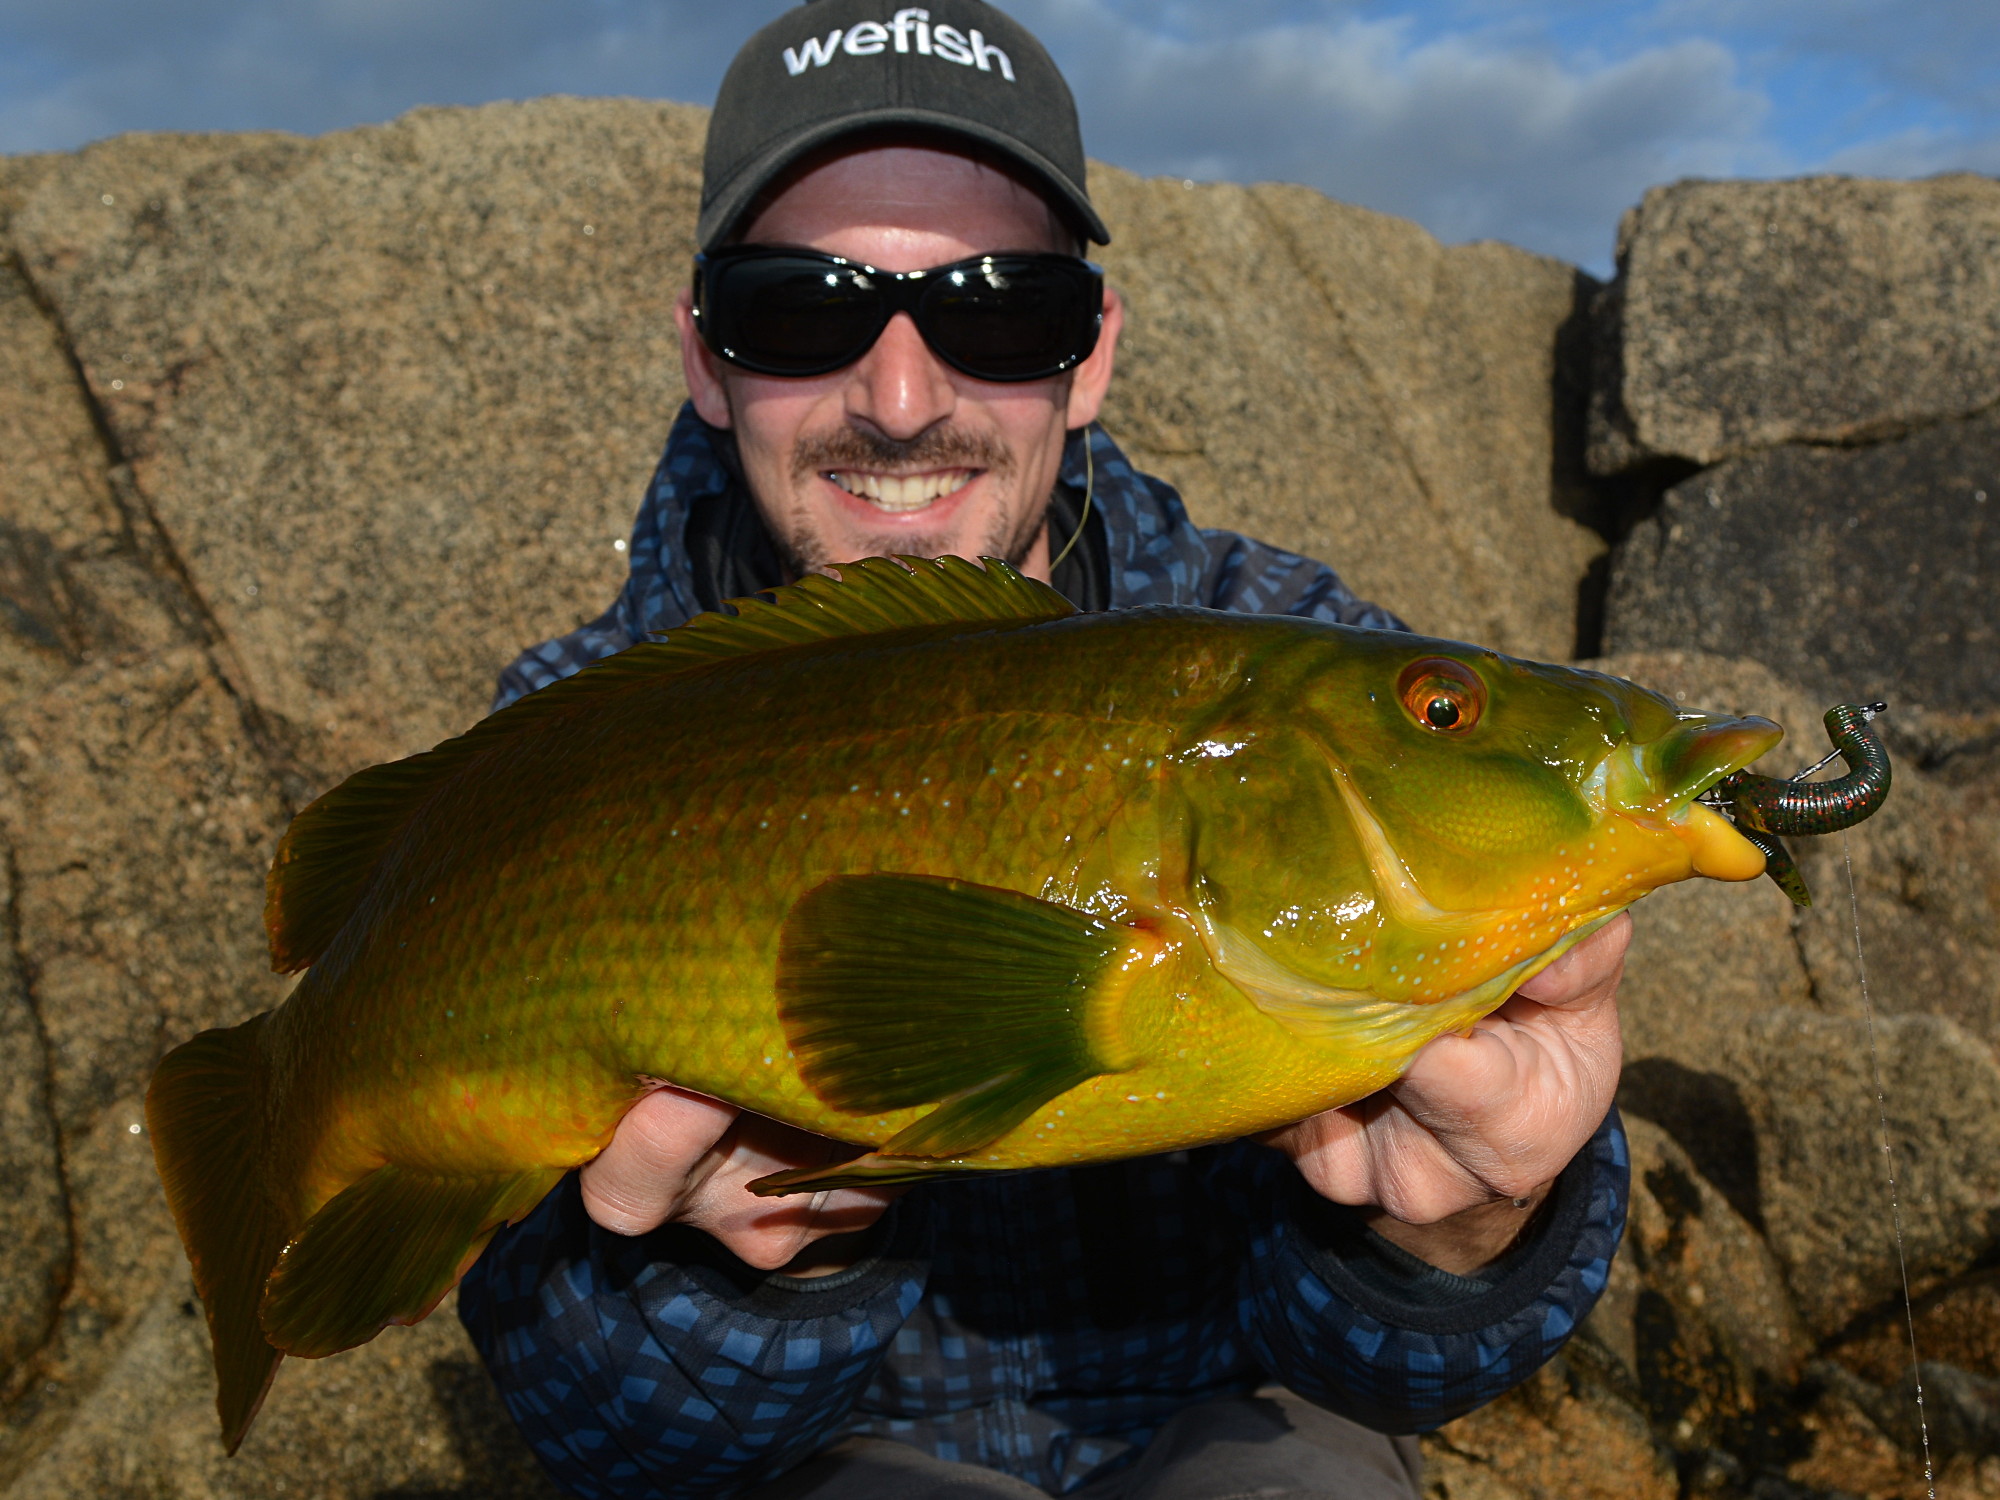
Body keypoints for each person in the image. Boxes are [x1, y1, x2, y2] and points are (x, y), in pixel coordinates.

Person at [458, 3, 1631, 1496]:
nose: (900, 399)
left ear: (1090, 355)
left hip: (1220, 1425)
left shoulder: (1307, 661)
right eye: (802, 309)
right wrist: (765, 1283)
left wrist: (1462, 1238)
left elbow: (1379, 1372)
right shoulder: (565, 742)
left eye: (998, 309)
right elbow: (594, 1432)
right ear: (706, 356)